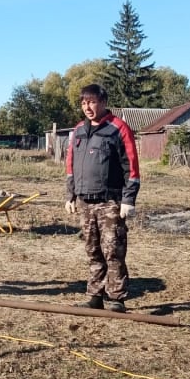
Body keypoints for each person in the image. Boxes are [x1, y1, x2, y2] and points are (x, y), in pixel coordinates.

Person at [64, 83, 141, 311]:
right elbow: (71, 166)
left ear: (103, 103)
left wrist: (128, 200)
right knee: (93, 250)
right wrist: (70, 195)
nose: (87, 107)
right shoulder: (78, 130)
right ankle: (95, 296)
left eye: (92, 102)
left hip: (110, 202)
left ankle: (116, 298)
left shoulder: (118, 129)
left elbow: (132, 168)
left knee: (113, 250)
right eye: (84, 102)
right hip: (85, 202)